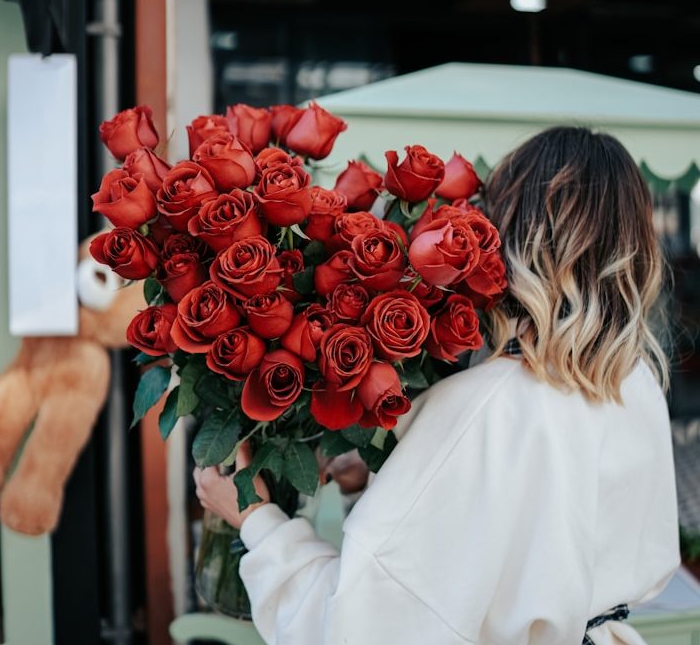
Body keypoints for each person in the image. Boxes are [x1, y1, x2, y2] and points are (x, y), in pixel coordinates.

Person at [194, 126, 679, 645]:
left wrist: (257, 522)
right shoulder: (635, 384)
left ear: (508, 236)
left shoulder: (482, 407)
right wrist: (388, 479)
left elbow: (361, 628)